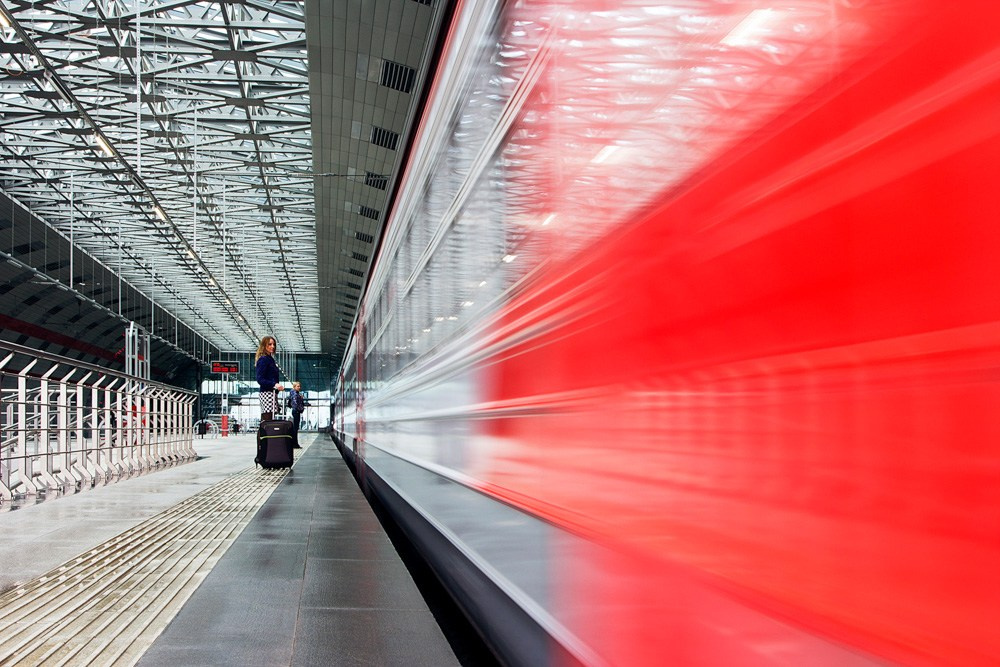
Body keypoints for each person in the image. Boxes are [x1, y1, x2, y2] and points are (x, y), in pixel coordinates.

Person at [255, 336, 284, 422]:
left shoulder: (270, 359)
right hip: (266, 394)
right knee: (267, 420)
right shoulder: (264, 359)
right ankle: (263, 435)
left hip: (271, 393)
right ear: (264, 345)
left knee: (268, 420)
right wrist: (274, 384)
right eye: (270, 344)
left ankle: (264, 435)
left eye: (274, 344)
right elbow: (260, 379)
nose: (272, 346)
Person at [288, 381, 305, 448]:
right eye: (298, 386)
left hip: (295, 411)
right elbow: (295, 404)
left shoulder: (294, 393)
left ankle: (295, 443)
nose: (299, 387)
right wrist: (301, 409)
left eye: (299, 386)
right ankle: (295, 444)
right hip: (296, 411)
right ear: (294, 387)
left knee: (295, 428)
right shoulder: (295, 394)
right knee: (295, 428)